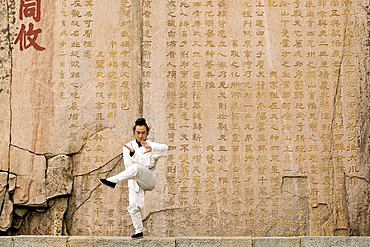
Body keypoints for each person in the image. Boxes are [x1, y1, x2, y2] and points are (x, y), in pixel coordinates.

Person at [100, 118, 168, 239]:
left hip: (149, 178)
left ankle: (112, 181)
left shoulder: (152, 145)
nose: (141, 135)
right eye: (138, 132)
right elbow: (128, 167)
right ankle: (139, 231)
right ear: (134, 132)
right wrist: (132, 153)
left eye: (143, 132)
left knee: (136, 168)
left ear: (147, 133)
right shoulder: (129, 146)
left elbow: (165, 148)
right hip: (135, 179)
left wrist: (152, 149)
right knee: (133, 205)